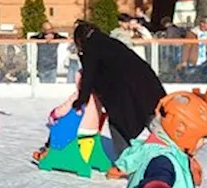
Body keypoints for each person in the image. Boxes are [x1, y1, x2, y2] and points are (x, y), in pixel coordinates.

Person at [65, 20, 167, 178]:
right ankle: (178, 156)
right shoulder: (109, 42)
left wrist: (81, 100)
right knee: (155, 121)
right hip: (148, 86)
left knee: (119, 124)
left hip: (127, 93)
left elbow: (89, 76)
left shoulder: (91, 47)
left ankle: (124, 163)